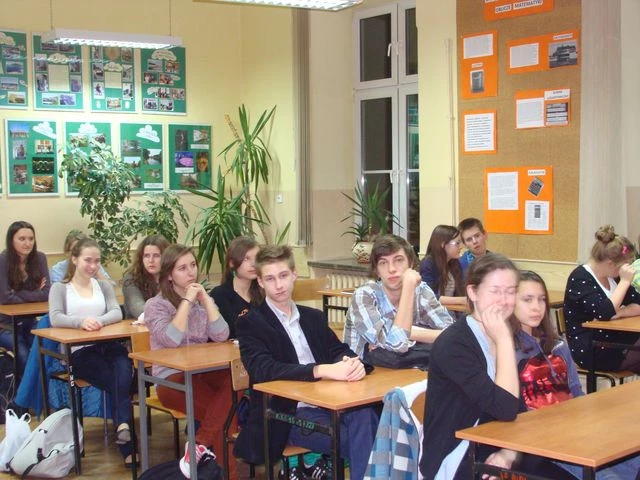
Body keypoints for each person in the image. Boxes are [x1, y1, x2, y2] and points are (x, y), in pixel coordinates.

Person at [420, 254, 574, 480]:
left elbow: (518, 408)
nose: (504, 300)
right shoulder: (454, 344)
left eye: (510, 291)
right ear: (473, 292)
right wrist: (503, 340)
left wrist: (508, 453)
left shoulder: (502, 333)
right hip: (458, 454)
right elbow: (505, 408)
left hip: (498, 443)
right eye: (495, 291)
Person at [234, 245, 379, 480]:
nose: (279, 285)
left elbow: (338, 350)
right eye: (270, 279)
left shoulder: (313, 317)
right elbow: (263, 369)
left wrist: (353, 364)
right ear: (260, 282)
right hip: (287, 413)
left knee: (366, 416)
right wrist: (320, 370)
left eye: (283, 275)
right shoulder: (251, 322)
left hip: (332, 403)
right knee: (369, 441)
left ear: (294, 275)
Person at [513, 270, 640, 479]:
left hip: (573, 428)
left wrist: (589, 426)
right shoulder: (507, 351)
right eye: (527, 300)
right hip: (542, 439)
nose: (537, 307)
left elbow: (576, 392)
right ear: (509, 302)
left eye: (542, 299)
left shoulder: (558, 346)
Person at [144, 244, 234, 479]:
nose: (191, 272)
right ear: (169, 275)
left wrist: (206, 301)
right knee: (228, 419)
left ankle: (199, 444)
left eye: (193, 265)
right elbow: (171, 339)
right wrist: (186, 301)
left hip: (202, 372)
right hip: (170, 378)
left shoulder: (202, 301)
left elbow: (222, 334)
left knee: (235, 379)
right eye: (182, 268)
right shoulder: (156, 305)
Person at [48, 238, 134, 467]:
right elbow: (55, 317)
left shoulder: (103, 286)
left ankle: (123, 427)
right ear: (74, 259)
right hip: (80, 351)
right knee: (121, 382)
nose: (93, 266)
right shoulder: (61, 288)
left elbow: (116, 312)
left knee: (124, 366)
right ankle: (127, 444)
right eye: (88, 260)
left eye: (97, 261)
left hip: (108, 346)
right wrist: (80, 322)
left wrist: (99, 321)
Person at [344, 234, 453, 369]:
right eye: (383, 263)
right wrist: (408, 287)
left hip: (406, 370)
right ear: (376, 270)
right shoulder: (365, 295)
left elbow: (452, 335)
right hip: (363, 373)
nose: (391, 269)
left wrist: (407, 333)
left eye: (399, 260)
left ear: (410, 264)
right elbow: (398, 344)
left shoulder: (421, 290)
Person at [564, 225, 640, 373]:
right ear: (610, 264)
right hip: (594, 349)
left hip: (619, 341)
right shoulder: (580, 278)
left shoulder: (613, 276)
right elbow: (604, 312)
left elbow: (637, 302)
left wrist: (621, 312)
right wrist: (625, 282)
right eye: (624, 267)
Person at [0, 221, 50, 373]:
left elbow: (47, 294)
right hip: (5, 325)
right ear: (11, 240)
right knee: (23, 353)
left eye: (31, 239)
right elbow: (5, 298)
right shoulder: (3, 260)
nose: (27, 243)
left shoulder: (39, 258)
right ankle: (26, 388)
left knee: (44, 347)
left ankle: (42, 387)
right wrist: (35, 293)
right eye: (22, 239)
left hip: (29, 321)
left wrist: (16, 293)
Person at [209, 237, 262, 338]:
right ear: (232, 263)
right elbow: (227, 332)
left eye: (257, 258)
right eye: (246, 259)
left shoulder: (264, 292)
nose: (253, 264)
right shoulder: (220, 294)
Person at [122, 234, 170, 320]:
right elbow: (137, 307)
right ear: (141, 258)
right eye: (146, 256)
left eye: (156, 255)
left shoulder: (173, 276)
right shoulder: (131, 277)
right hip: (137, 326)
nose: (151, 260)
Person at [419, 225, 466, 307]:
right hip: (434, 311)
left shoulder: (455, 263)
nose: (461, 246)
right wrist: (462, 300)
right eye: (457, 243)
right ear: (443, 244)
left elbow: (461, 290)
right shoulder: (428, 264)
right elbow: (428, 296)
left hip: (453, 311)